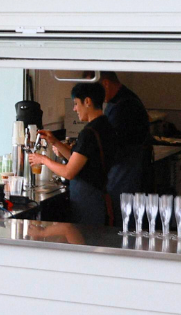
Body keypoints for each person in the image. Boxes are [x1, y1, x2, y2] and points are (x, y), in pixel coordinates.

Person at [30, 82, 116, 226]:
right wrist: (55, 141)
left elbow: (69, 172)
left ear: (87, 101)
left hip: (88, 201)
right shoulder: (104, 125)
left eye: (76, 103)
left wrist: (43, 160)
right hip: (99, 196)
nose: (74, 108)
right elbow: (78, 159)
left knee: (84, 240)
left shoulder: (89, 133)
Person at [98, 71, 152, 213]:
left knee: (124, 217)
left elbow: (115, 143)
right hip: (125, 168)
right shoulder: (119, 100)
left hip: (126, 169)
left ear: (106, 84)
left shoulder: (124, 105)